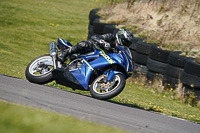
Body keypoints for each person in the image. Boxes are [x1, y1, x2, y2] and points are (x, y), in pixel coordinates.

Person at [58, 29, 134, 63]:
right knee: (84, 44)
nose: (126, 44)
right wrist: (103, 42)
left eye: (128, 44)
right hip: (93, 49)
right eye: (126, 42)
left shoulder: (118, 51)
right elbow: (94, 37)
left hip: (99, 58)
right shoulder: (110, 37)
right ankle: (65, 53)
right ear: (121, 38)